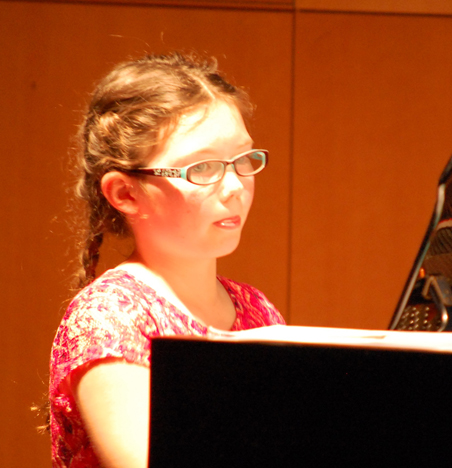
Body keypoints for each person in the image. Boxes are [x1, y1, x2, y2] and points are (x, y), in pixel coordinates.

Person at [49, 52, 285, 468]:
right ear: (125, 193)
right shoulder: (111, 316)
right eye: (203, 167)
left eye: (243, 160)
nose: (235, 187)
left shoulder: (257, 310)